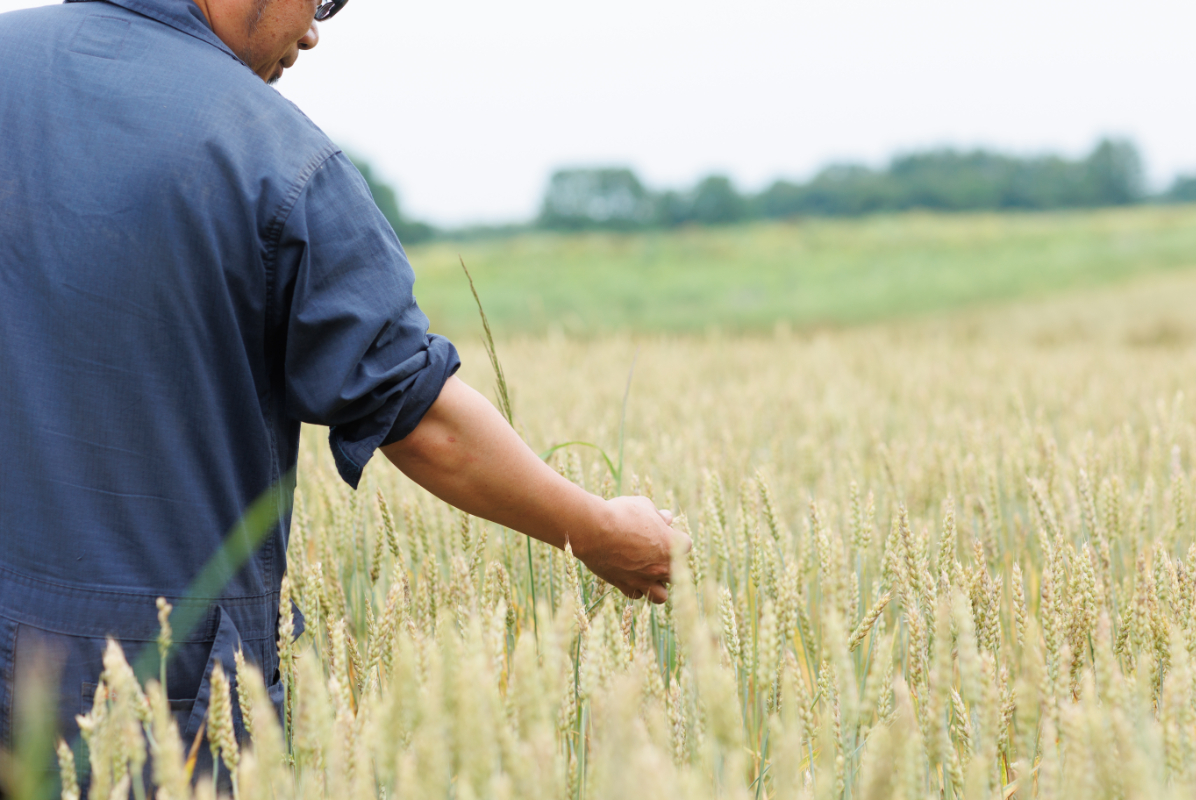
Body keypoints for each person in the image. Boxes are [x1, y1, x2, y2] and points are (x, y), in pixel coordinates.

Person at [0, 0, 688, 767]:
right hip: (149, 694)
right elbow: (417, 414)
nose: (316, 29)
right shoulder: (267, 150)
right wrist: (598, 533)